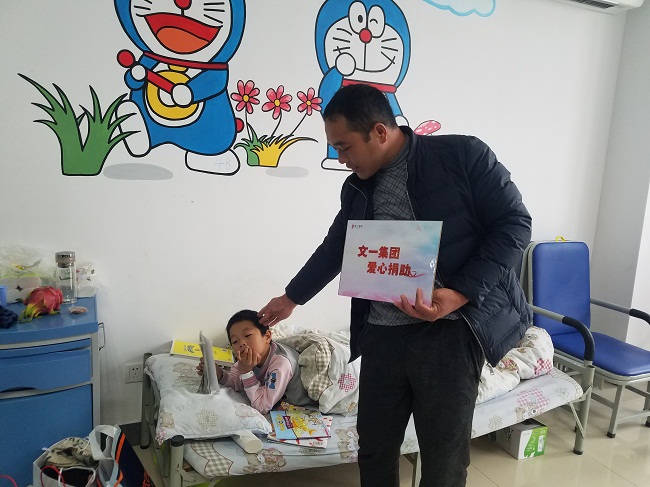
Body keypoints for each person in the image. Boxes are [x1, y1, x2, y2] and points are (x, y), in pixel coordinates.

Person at [258, 83, 533, 487]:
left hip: (449, 333)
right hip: (383, 335)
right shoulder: (357, 187)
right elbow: (338, 246)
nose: (341, 159)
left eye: (345, 147)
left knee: (443, 459)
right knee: (374, 448)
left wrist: (457, 294)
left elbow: (515, 225)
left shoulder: (462, 156)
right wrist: (291, 297)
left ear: (380, 132)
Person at [198, 309, 313, 415]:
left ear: (267, 337)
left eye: (248, 335)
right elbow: (236, 383)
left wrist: (246, 372)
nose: (242, 343)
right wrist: (219, 374)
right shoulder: (246, 358)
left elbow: (262, 406)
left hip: (301, 402)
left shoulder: (281, 364)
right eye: (235, 341)